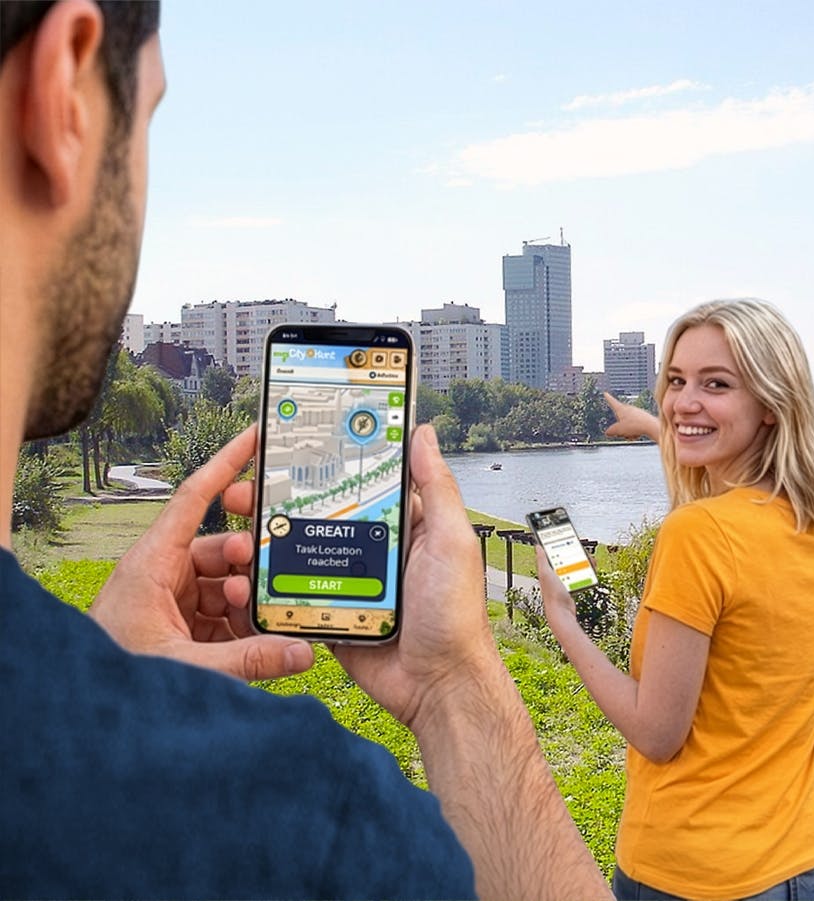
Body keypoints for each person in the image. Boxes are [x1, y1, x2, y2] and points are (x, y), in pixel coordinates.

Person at [0, 3, 611, 898]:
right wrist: (454, 684)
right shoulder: (296, 828)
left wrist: (93, 684)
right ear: (66, 90)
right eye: (150, 119)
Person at [537, 300, 814, 901]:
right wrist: (654, 426)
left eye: (716, 384)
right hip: (803, 866)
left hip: (692, 876)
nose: (683, 401)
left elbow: (656, 734)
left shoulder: (697, 535)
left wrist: (563, 621)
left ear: (771, 405)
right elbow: (730, 471)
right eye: (676, 382)